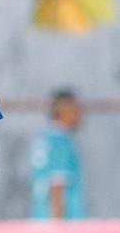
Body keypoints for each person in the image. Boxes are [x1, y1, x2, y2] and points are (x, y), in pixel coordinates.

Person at [29, 89, 86, 220]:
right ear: (64, 111)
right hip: (61, 226)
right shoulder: (61, 141)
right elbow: (57, 186)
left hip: (40, 218)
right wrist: (59, 230)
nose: (80, 115)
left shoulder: (42, 139)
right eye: (77, 109)